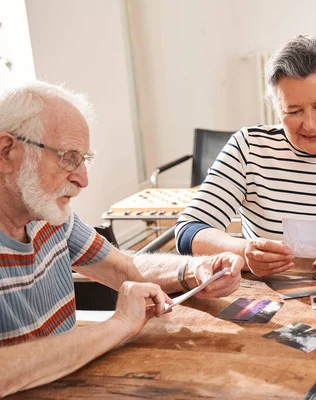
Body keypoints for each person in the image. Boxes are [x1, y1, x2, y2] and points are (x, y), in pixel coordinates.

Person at [0, 82, 243, 396]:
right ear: (6, 152)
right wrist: (117, 325)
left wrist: (193, 272)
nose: (83, 179)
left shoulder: (49, 215)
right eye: (68, 158)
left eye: (84, 159)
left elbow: (120, 266)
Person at [175, 35, 316, 276]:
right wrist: (244, 251)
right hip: (266, 296)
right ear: (276, 107)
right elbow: (188, 230)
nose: (310, 124)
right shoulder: (248, 146)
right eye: (294, 111)